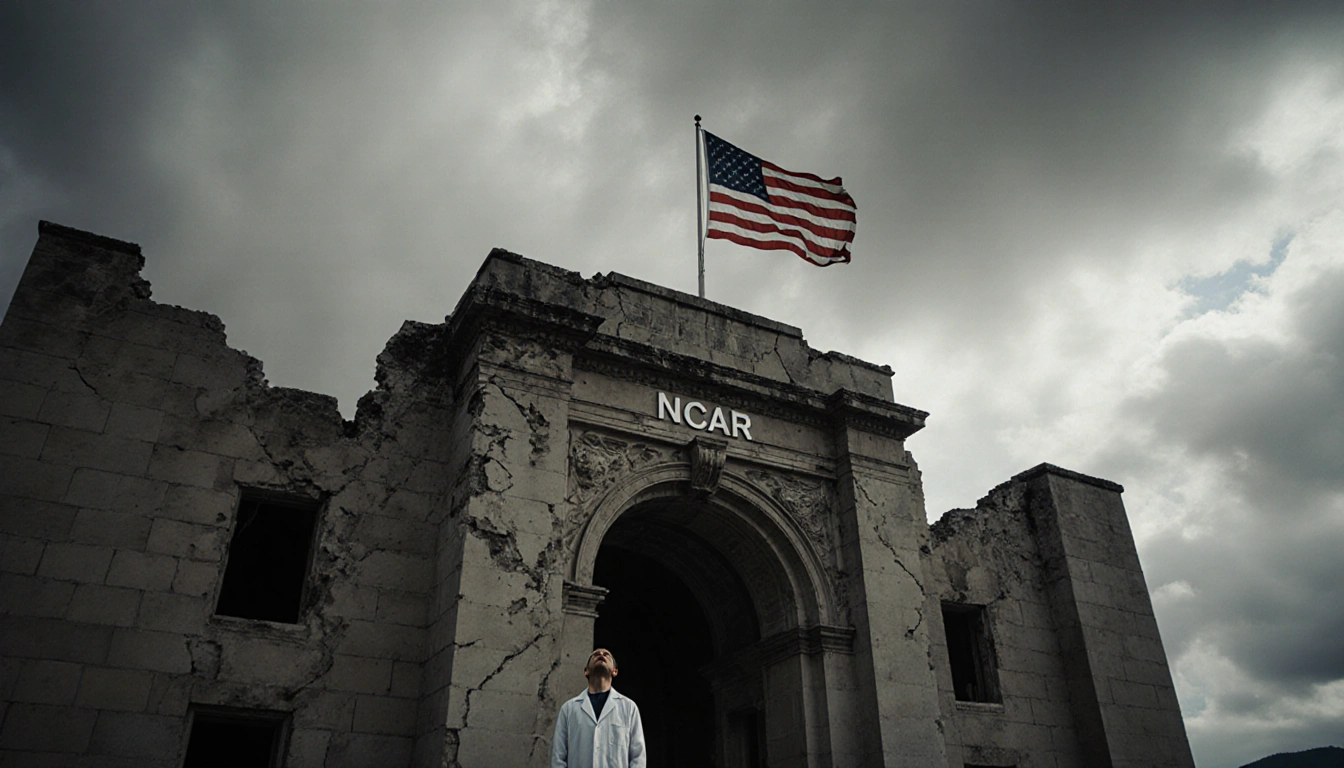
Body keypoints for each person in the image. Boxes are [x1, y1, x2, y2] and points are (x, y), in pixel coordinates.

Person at [552, 648, 646, 768]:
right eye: (596, 654)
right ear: (586, 671)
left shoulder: (629, 708)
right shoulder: (568, 709)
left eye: (607, 655)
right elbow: (558, 757)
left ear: (615, 671)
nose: (601, 654)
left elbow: (638, 757)